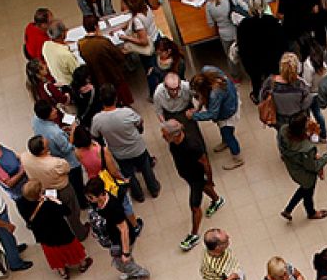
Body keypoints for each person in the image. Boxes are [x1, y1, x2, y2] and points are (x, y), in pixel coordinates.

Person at [89, 84, 161, 204]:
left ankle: (138, 195)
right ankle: (153, 189)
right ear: (116, 98)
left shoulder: (97, 119)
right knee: (146, 168)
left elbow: (95, 135)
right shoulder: (126, 112)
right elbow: (139, 121)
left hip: (119, 153)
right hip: (137, 148)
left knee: (128, 174)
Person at [160, 119, 222, 253]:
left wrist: (210, 179)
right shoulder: (173, 144)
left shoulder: (192, 145)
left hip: (196, 177)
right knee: (203, 186)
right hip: (187, 175)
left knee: (195, 206)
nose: (163, 137)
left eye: (165, 134)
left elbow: (205, 163)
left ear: (175, 134)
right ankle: (217, 200)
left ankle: (194, 235)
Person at [14, 180, 89, 280]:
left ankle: (63, 272)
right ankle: (82, 264)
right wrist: (56, 201)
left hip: (43, 235)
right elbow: (67, 211)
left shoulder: (20, 203)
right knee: (72, 248)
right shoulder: (49, 204)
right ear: (39, 193)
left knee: (53, 253)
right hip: (60, 232)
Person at [276, 115, 327, 222]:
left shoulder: (284, 130)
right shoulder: (306, 148)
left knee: (303, 189)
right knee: (308, 192)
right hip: (305, 174)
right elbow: (313, 166)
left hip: (292, 165)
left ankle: (288, 210)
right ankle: (311, 212)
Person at [190, 66, 243, 171]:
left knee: (229, 134)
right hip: (232, 98)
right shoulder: (208, 70)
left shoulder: (215, 94)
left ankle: (237, 158)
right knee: (223, 130)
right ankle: (225, 142)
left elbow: (212, 114)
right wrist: (199, 106)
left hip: (228, 112)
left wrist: (194, 116)